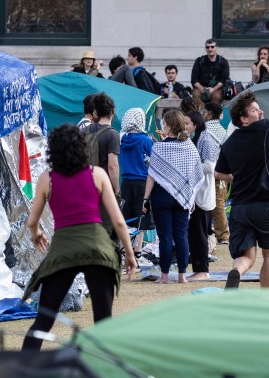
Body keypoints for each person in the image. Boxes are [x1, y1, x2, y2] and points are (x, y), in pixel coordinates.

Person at [23, 125, 136, 352]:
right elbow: (119, 221)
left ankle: (24, 367)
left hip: (64, 250)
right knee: (103, 322)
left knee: (44, 320)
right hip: (98, 248)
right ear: (83, 148)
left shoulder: (47, 178)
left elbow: (31, 221)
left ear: (52, 151)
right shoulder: (97, 174)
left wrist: (37, 235)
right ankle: (104, 367)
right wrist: (130, 254)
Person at [216, 73, 269, 290]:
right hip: (266, 206)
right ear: (243, 119)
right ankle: (265, 295)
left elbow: (219, 173)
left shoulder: (229, 143)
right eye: (254, 110)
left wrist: (236, 177)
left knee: (247, 256)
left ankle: (236, 272)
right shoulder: (264, 130)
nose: (261, 112)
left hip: (240, 208)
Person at [142, 109, 203, 284]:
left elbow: (152, 176)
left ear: (168, 126)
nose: (163, 125)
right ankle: (182, 275)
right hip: (182, 198)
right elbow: (195, 174)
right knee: (182, 236)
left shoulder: (159, 148)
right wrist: (191, 196)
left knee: (165, 237)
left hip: (161, 197)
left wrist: (145, 198)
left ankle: (164, 276)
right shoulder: (190, 147)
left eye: (164, 123)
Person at [185, 110, 220, 280]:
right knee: (194, 232)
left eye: (187, 123)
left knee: (199, 233)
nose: (184, 126)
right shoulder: (193, 138)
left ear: (195, 125)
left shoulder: (205, 140)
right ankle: (198, 269)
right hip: (194, 193)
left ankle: (202, 271)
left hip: (202, 193)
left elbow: (210, 167)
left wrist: (190, 165)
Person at [118, 107, 155, 238]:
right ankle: (138, 248)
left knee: (125, 218)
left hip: (126, 182)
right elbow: (154, 161)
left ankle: (124, 246)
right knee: (141, 219)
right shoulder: (146, 140)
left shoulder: (121, 139)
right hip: (143, 183)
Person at [82, 93, 120, 193]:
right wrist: (117, 190)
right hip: (103, 186)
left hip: (85, 183)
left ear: (96, 112)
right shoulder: (113, 135)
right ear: (113, 111)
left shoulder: (84, 130)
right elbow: (112, 166)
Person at [204, 103, 230, 244]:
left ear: (209, 114)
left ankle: (218, 234)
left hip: (206, 171)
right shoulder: (223, 131)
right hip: (221, 171)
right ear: (220, 115)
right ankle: (222, 234)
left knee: (208, 203)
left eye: (204, 112)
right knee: (219, 203)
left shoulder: (203, 130)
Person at [191, 39, 230, 105]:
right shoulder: (199, 60)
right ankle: (203, 111)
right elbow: (194, 79)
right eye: (207, 47)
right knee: (195, 94)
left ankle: (212, 111)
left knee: (216, 96)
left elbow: (224, 79)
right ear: (205, 48)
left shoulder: (223, 61)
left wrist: (213, 89)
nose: (210, 49)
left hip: (217, 88)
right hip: (201, 87)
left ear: (216, 47)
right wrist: (202, 88)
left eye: (212, 47)